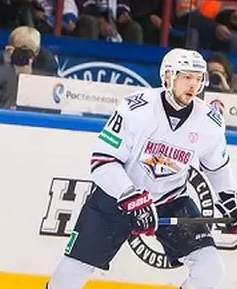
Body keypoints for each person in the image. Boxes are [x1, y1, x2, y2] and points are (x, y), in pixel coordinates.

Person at [46, 48, 237, 289]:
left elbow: (218, 167)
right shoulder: (137, 109)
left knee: (210, 270)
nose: (193, 85)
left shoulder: (209, 122)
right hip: (116, 199)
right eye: (186, 76)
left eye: (198, 78)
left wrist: (229, 198)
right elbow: (102, 162)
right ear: (168, 76)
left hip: (171, 200)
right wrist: (130, 196)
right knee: (70, 274)